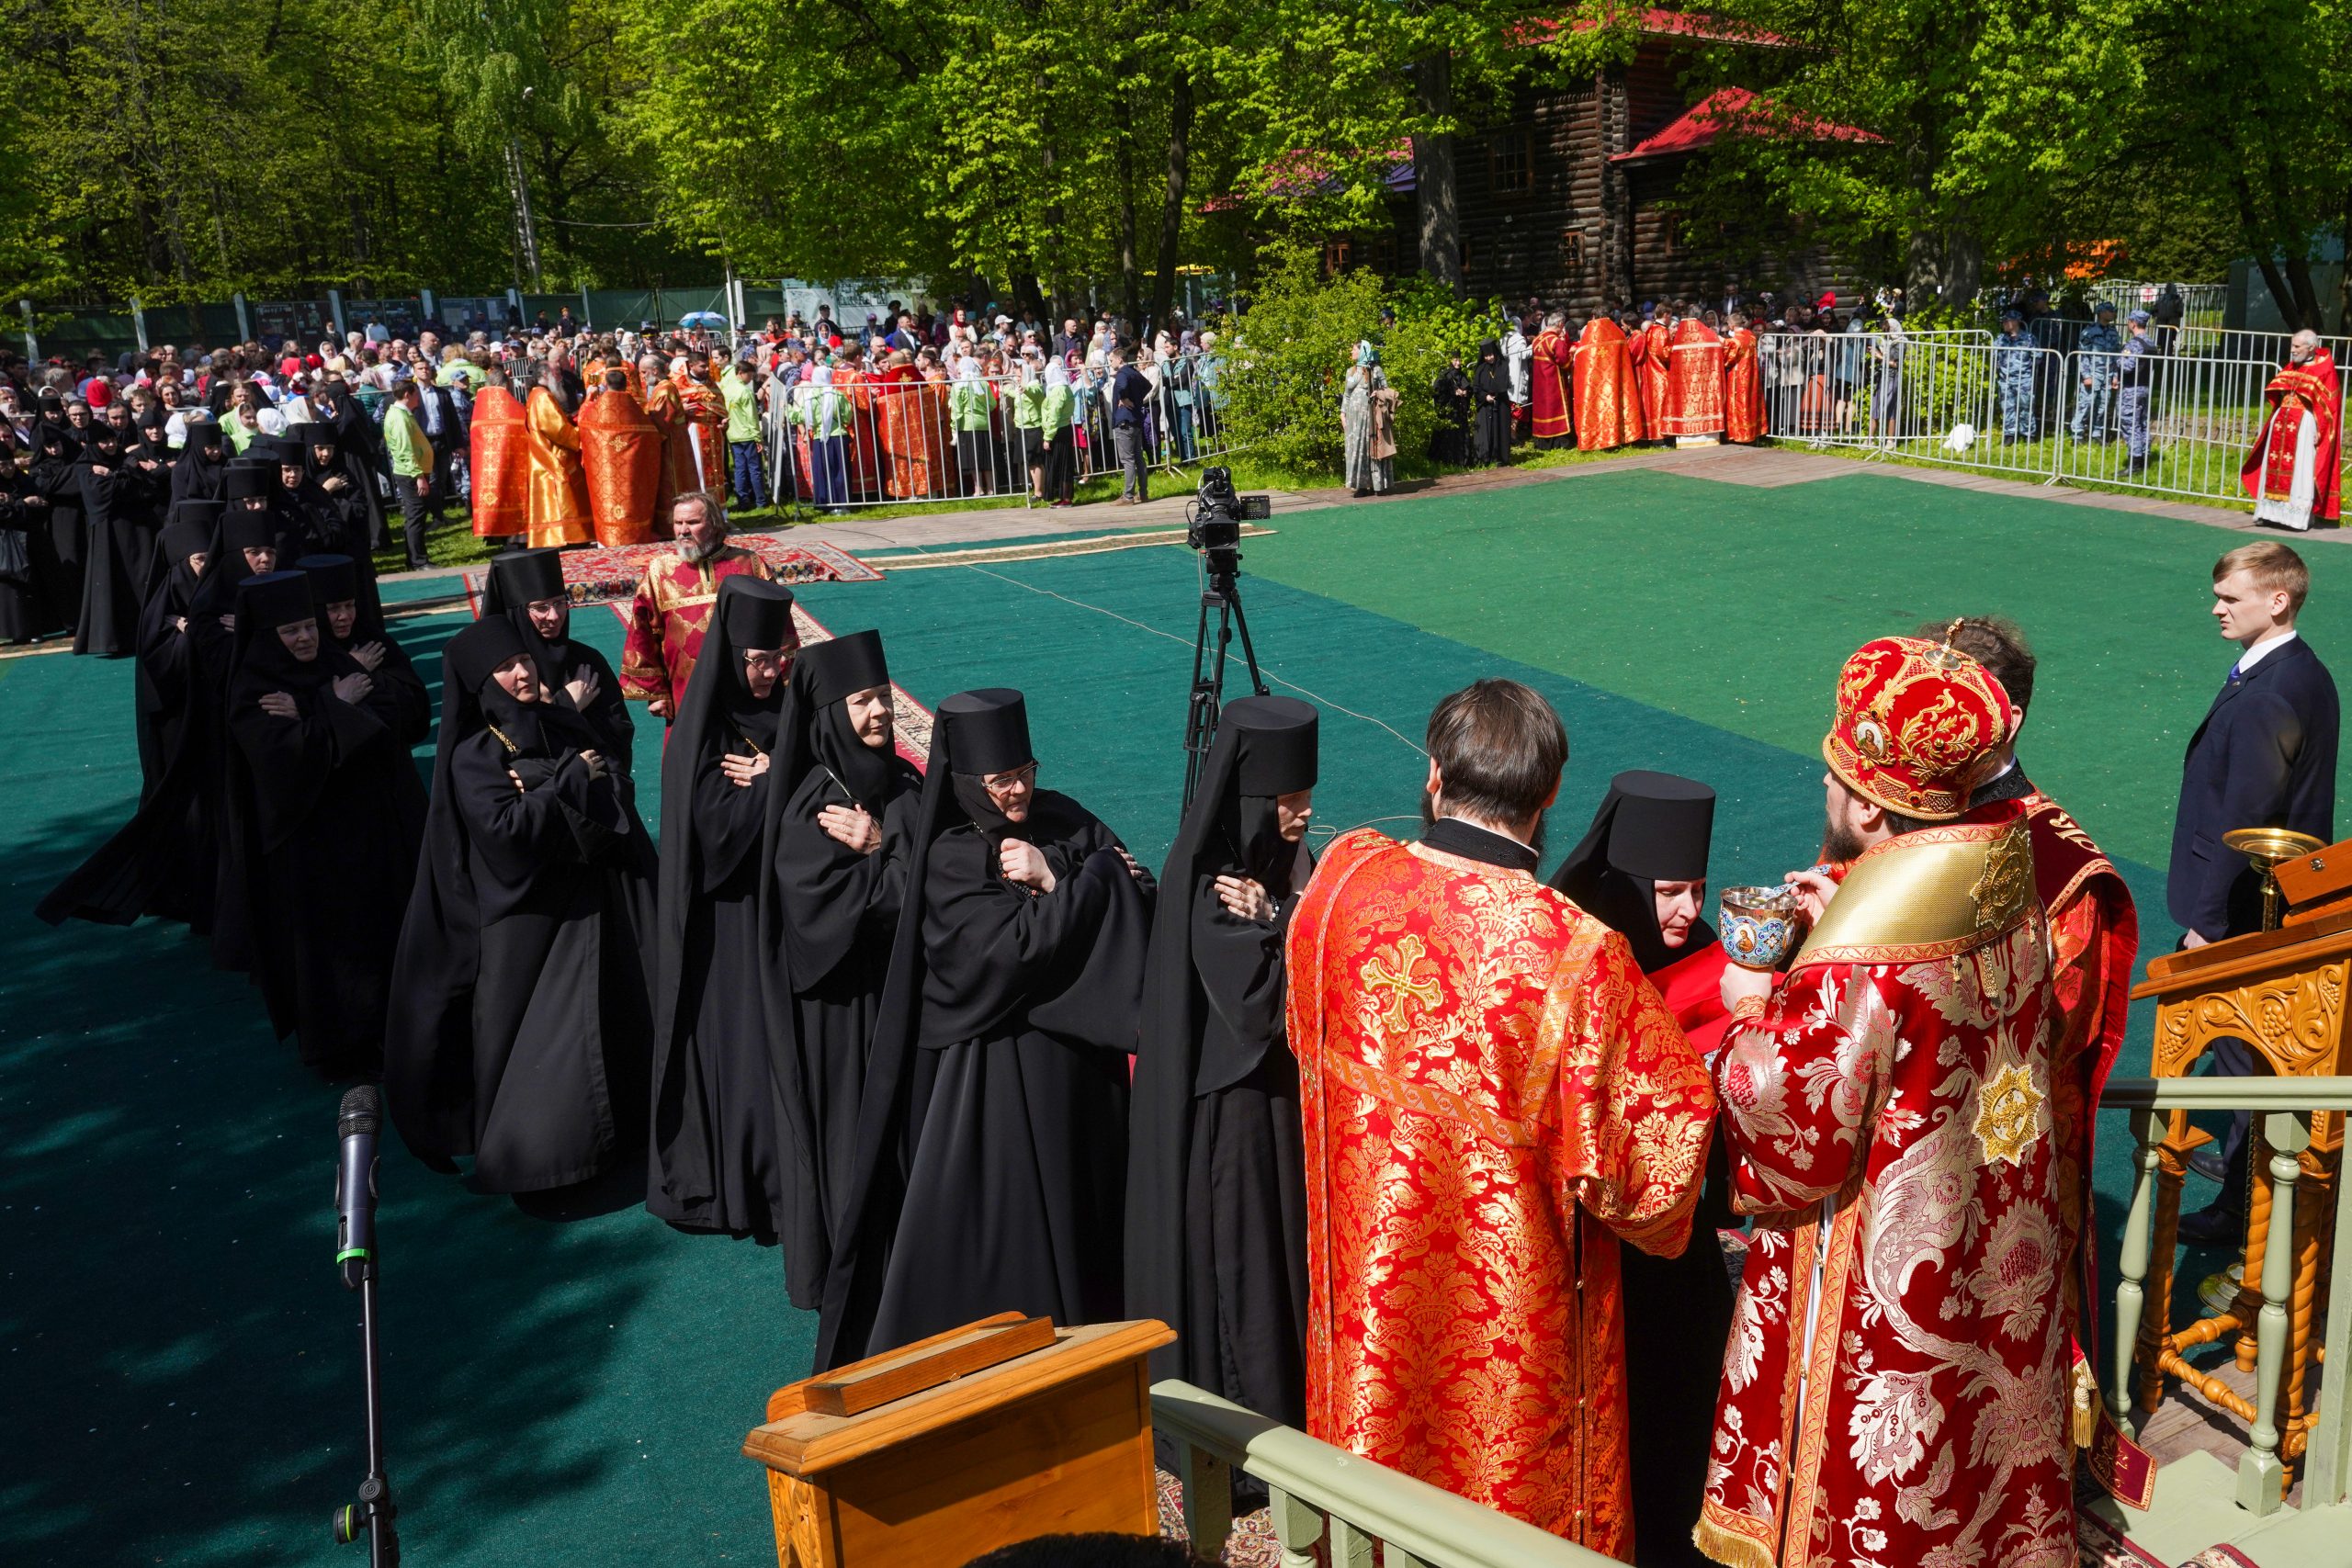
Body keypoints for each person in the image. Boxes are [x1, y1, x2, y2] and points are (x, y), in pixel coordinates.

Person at [1286, 679, 1714, 1551]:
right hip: (1517, 1347)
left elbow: (1299, 1029)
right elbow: (1662, 1178)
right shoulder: (1581, 955)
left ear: (1435, 773)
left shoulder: (1344, 882)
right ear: (1551, 794)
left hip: (1370, 1308)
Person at [1700, 634, 2073, 1568]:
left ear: (1868, 807)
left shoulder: (1863, 956)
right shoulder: (2011, 882)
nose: (1823, 791)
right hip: (1987, 1228)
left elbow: (1795, 1122)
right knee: (1975, 1424)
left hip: (1878, 1262)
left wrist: (1750, 1009)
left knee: (1881, 1454)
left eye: (1832, 778)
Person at [862, 688, 1157, 1351]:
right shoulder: (948, 857)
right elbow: (1007, 956)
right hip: (1004, 1083)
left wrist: (1056, 873)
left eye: (1026, 771)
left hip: (1086, 1076)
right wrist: (1087, 882)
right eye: (1001, 781)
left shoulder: (1063, 821)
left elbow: (1141, 887)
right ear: (970, 781)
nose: (1019, 790)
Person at [385, 613, 658, 1191]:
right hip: (526, 922)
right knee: (534, 1046)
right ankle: (543, 1162)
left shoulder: (559, 721)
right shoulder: (474, 756)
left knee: (615, 1019)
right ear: (484, 686)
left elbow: (614, 778)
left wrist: (552, 785)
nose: (522, 673)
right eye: (505, 668)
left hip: (593, 901)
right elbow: (505, 836)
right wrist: (564, 785)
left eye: (524, 660)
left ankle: (625, 1135)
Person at [1932, 615, 2139, 1367]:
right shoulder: (1916, 807)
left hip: (2001, 1138)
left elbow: (2057, 1029)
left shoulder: (2057, 863)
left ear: (2008, 717)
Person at [1549, 770, 1732, 1568]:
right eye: (1667, 892)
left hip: (1677, 1244)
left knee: (1681, 1410)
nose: (1687, 912)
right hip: (1594, 1246)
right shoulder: (1578, 962)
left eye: (1695, 888)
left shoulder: (1712, 959)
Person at [1126, 697, 1317, 1441]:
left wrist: (1284, 908)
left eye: (1305, 799)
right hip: (1231, 1122)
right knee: (1248, 1275)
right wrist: (1285, 919)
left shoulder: (1261, 874)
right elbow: (1262, 1005)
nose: (1301, 818)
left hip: (1265, 1105)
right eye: (1288, 803)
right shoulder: (1215, 890)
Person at [2168, 543, 2338, 1245]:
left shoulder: (2270, 691)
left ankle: (2244, 1212)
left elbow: (2247, 820)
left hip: (2245, 912)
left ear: (2278, 600)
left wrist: (2206, 924)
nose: (2216, 606)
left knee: (2242, 1054)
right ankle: (2247, 1174)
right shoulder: (2300, 671)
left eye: (2230, 597)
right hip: (2268, 902)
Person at [771, 630, 925, 1362]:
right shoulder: (813, 808)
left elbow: (937, 878)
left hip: (901, 1004)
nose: (878, 715)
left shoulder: (900, 785)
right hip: (845, 1021)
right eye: (861, 702)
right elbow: (824, 918)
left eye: (882, 699)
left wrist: (881, 851)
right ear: (831, 711)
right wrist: (887, 860)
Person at [218, 570, 426, 1077]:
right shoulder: (255, 690)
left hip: (372, 835)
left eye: (309, 626)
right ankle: (342, 1050)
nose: (307, 637)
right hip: (311, 851)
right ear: (269, 637)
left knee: (385, 936)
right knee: (334, 957)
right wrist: (333, 705)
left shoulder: (339, 662)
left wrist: (315, 711)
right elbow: (285, 762)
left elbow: (389, 715)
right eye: (291, 631)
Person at [647, 577, 802, 1239]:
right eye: (758, 661)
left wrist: (777, 778)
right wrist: (777, 788)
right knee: (744, 1055)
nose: (771, 673)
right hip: (729, 925)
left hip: (786, 911)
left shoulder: (792, 711)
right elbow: (718, 833)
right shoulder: (704, 728)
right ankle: (749, 1187)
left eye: (779, 659)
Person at [619, 491, 778, 724]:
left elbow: (778, 627)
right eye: (678, 523)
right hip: (684, 691)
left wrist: (778, 676)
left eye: (693, 522)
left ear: (714, 524)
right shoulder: (659, 572)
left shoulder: (749, 564)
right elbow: (642, 634)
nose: (683, 530)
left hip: (744, 688)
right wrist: (655, 692)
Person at [480, 546, 636, 772]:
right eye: (541, 607)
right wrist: (566, 706)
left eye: (560, 603)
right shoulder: (498, 671)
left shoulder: (586, 660)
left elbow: (619, 731)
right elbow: (508, 742)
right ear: (518, 612)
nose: (554, 616)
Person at [72, 403, 165, 657]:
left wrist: (118, 475)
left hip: (136, 532)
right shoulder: (86, 467)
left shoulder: (123, 461)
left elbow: (144, 488)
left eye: (112, 440)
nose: (111, 445)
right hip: (109, 537)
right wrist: (123, 476)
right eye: (104, 442)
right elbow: (103, 494)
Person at [2242, 328, 2341, 527]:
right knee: (2273, 466)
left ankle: (2294, 518)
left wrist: (2321, 429)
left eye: (2297, 346)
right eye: (2292, 346)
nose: (2293, 351)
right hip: (2282, 422)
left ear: (2311, 347)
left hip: (2304, 424)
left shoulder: (2324, 369)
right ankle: (2268, 513)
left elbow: (2330, 407)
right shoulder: (2292, 366)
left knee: (2300, 468)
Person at [577, 368, 663, 547]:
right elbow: (654, 436)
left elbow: (582, 425)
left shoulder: (597, 409)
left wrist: (588, 400)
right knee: (632, 500)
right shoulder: (635, 411)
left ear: (606, 385)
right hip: (630, 469)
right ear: (626, 384)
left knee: (606, 502)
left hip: (604, 469)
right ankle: (634, 536)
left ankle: (607, 540)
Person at [518, 366, 592, 548]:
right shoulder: (543, 396)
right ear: (544, 375)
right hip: (552, 457)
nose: (559, 378)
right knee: (561, 499)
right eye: (555, 374)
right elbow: (556, 428)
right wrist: (579, 435)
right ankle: (564, 537)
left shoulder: (537, 394)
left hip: (543, 455)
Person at [465, 371, 532, 543]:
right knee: (513, 500)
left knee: (494, 501)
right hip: (511, 464)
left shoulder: (480, 409)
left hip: (487, 469)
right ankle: (518, 538)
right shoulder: (513, 408)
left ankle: (497, 535)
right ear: (505, 386)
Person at [381, 379, 436, 569]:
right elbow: (404, 449)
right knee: (415, 516)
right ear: (408, 395)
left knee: (417, 515)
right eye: (416, 394)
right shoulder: (399, 417)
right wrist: (418, 476)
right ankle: (418, 560)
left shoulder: (401, 414)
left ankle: (414, 558)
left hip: (412, 471)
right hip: (410, 474)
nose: (418, 398)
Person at [1573, 309, 1644, 450]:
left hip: (1593, 383)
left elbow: (1580, 361)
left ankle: (1596, 440)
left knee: (1594, 408)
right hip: (1614, 381)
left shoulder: (1589, 335)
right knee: (1615, 405)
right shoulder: (1617, 332)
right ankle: (1618, 436)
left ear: (1593, 316)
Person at [1664, 311, 1726, 441]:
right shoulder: (1709, 334)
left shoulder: (1679, 337)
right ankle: (1707, 437)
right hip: (1704, 383)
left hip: (1684, 383)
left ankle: (1685, 437)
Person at [2072, 301, 2122, 444]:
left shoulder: (2113, 331)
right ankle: (2077, 434)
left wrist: (2115, 375)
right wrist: (2086, 376)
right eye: (2110, 311)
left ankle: (2096, 433)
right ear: (2101, 313)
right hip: (2093, 373)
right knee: (2086, 404)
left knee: (2103, 405)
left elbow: (2116, 354)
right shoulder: (2089, 332)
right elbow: (2082, 355)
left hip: (2108, 374)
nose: (2113, 313)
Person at [1110, 344, 1151, 505]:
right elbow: (1148, 386)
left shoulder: (1122, 373)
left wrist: (1124, 397)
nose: (1110, 362)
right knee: (1139, 459)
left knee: (1127, 459)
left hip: (1124, 421)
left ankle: (1128, 495)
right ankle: (1143, 493)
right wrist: (1137, 399)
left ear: (1120, 359)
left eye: (1112, 359)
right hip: (1135, 419)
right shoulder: (1134, 372)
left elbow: (1121, 386)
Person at [1529, 310, 1573, 448]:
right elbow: (1564, 362)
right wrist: (1572, 354)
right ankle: (1560, 441)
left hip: (1540, 383)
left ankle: (1542, 441)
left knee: (1543, 409)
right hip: (1554, 383)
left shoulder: (1537, 339)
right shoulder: (1555, 341)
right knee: (1556, 409)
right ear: (1560, 324)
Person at [1722, 310, 1766, 446]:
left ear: (1731, 325)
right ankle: (1753, 433)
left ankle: (1740, 435)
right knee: (1751, 403)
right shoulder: (1751, 335)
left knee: (1739, 405)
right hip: (1752, 376)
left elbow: (1728, 359)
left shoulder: (1736, 340)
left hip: (1739, 377)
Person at [1996, 309, 2038, 445]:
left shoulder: (2029, 339)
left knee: (2026, 406)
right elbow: (1993, 355)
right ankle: (2009, 434)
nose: (2004, 323)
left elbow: (2038, 357)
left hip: (2024, 379)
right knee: (2007, 407)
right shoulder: (2000, 339)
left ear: (2015, 322)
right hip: (2005, 379)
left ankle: (2028, 434)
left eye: (2007, 320)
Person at [1470, 339, 1512, 466]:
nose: (1489, 358)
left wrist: (1495, 393)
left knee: (1501, 430)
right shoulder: (1481, 369)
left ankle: (1501, 458)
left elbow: (1504, 383)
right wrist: (1485, 396)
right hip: (1485, 404)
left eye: (1491, 355)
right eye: (1486, 356)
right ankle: (1486, 457)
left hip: (1501, 403)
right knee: (1486, 432)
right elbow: (1476, 388)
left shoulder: (1503, 365)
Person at [1430, 350, 1471, 466]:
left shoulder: (1462, 375)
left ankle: (1462, 461)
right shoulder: (1444, 375)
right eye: (1455, 360)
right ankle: (1447, 461)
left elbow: (1470, 389)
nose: (1458, 363)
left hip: (1460, 412)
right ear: (1450, 360)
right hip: (1449, 412)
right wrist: (1453, 392)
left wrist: (1465, 392)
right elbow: (1437, 392)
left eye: (1459, 360)